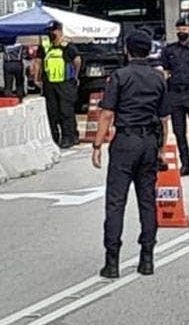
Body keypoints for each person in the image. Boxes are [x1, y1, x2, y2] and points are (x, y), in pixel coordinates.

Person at [91, 30, 170, 279]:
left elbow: (106, 114)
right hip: (149, 141)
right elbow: (164, 119)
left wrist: (97, 145)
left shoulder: (119, 77)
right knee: (147, 200)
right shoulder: (159, 78)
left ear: (127, 50)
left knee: (116, 201)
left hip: (125, 141)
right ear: (149, 50)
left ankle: (112, 262)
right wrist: (160, 149)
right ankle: (147, 258)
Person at [160, 17, 189, 177]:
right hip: (174, 94)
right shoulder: (169, 50)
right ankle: (185, 164)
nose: (182, 31)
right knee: (179, 131)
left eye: (184, 28)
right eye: (179, 29)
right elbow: (166, 72)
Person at [35, 21, 81, 149]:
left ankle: (69, 137)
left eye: (53, 30)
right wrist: (36, 78)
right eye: (49, 31)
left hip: (65, 83)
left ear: (60, 31)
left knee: (66, 111)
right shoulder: (45, 45)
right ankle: (54, 137)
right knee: (52, 112)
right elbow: (38, 62)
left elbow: (77, 60)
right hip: (49, 84)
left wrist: (74, 76)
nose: (51, 33)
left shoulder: (67, 45)